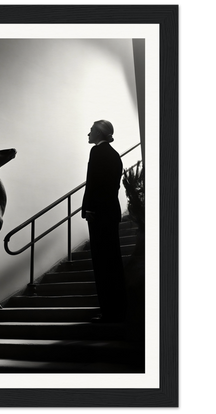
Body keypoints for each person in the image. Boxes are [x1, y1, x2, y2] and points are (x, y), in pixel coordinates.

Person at [82, 120, 127, 323]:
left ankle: (108, 312)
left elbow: (94, 182)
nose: (88, 134)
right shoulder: (114, 155)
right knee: (113, 261)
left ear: (99, 133)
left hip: (99, 214)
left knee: (102, 264)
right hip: (110, 212)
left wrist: (88, 208)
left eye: (91, 130)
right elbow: (111, 187)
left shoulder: (97, 153)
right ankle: (117, 310)